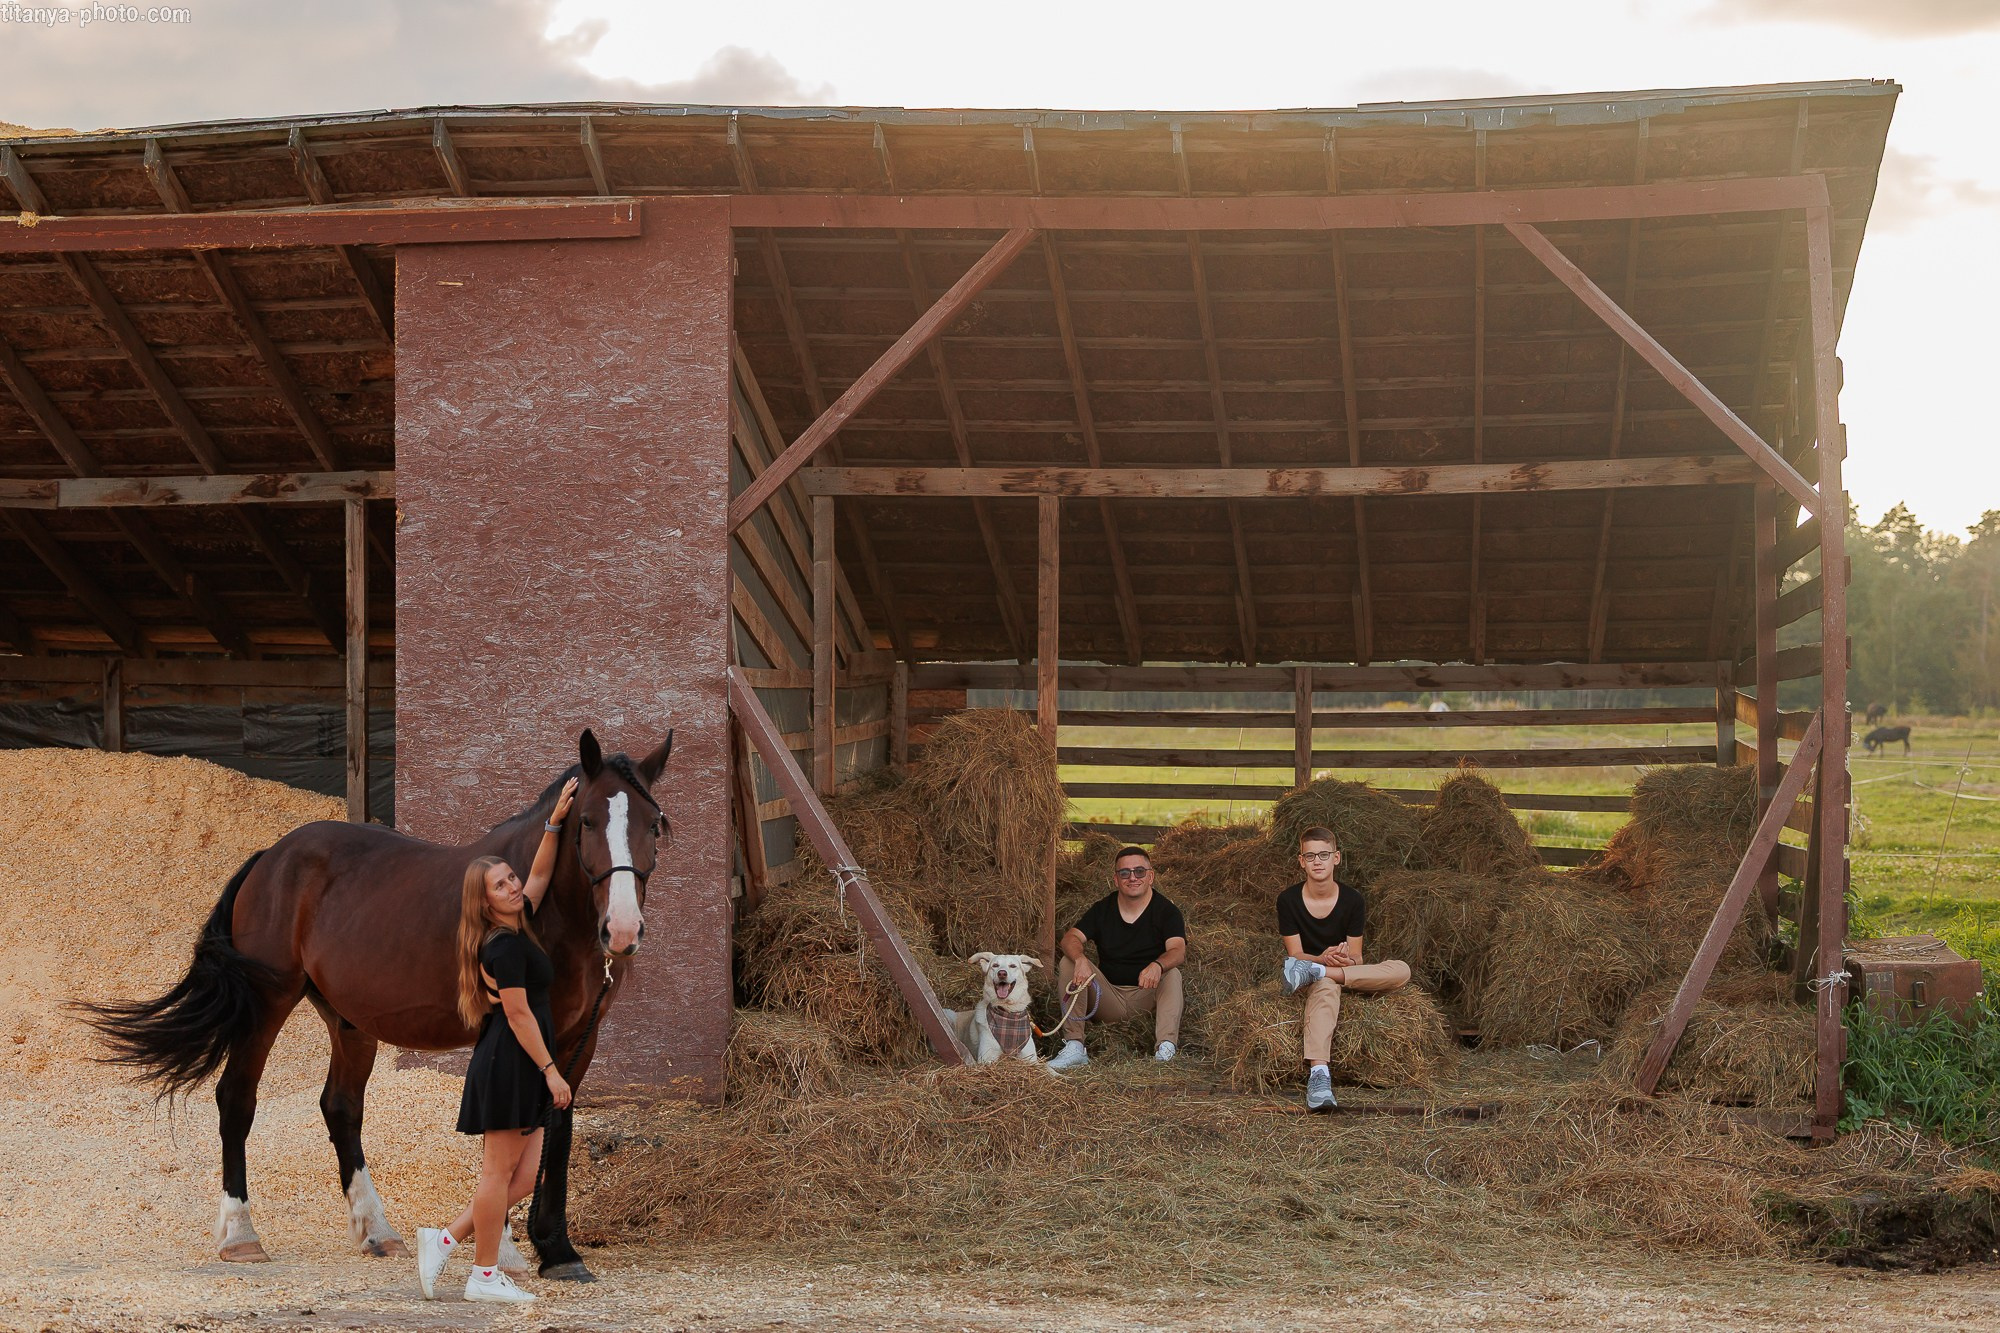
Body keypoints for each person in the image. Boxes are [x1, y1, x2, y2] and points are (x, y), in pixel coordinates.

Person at [416, 776, 578, 1304]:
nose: (512, 887)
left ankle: (445, 1240)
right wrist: (552, 1070)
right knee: (498, 1171)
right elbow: (517, 1012)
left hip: (522, 1062)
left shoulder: (520, 923)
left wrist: (553, 822)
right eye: (500, 886)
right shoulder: (501, 947)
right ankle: (483, 1276)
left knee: (524, 1177)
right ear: (485, 905)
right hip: (512, 1061)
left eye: (510, 879)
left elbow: (541, 873)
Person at [1275, 825, 1411, 1111]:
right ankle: (1319, 1076)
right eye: (1310, 856)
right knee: (1325, 986)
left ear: (1336, 858)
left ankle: (1322, 974)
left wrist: (1344, 959)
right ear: (1301, 861)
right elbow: (1296, 955)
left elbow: (1359, 959)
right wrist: (1321, 959)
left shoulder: (1353, 900)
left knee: (1402, 970)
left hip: (1340, 971)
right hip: (1310, 972)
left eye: (1323, 855)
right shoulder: (1288, 901)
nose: (1317, 862)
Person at [1048, 846, 1186, 1070]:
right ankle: (1074, 1046)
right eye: (1125, 873)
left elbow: (1178, 950)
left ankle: (1166, 1048)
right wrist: (1081, 958)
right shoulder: (1103, 909)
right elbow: (1070, 938)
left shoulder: (1166, 911)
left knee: (1172, 974)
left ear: (1150, 876)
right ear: (1116, 879)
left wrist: (1157, 965)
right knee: (1068, 961)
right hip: (1107, 998)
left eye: (1139, 871)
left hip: (1146, 997)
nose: (1132, 877)